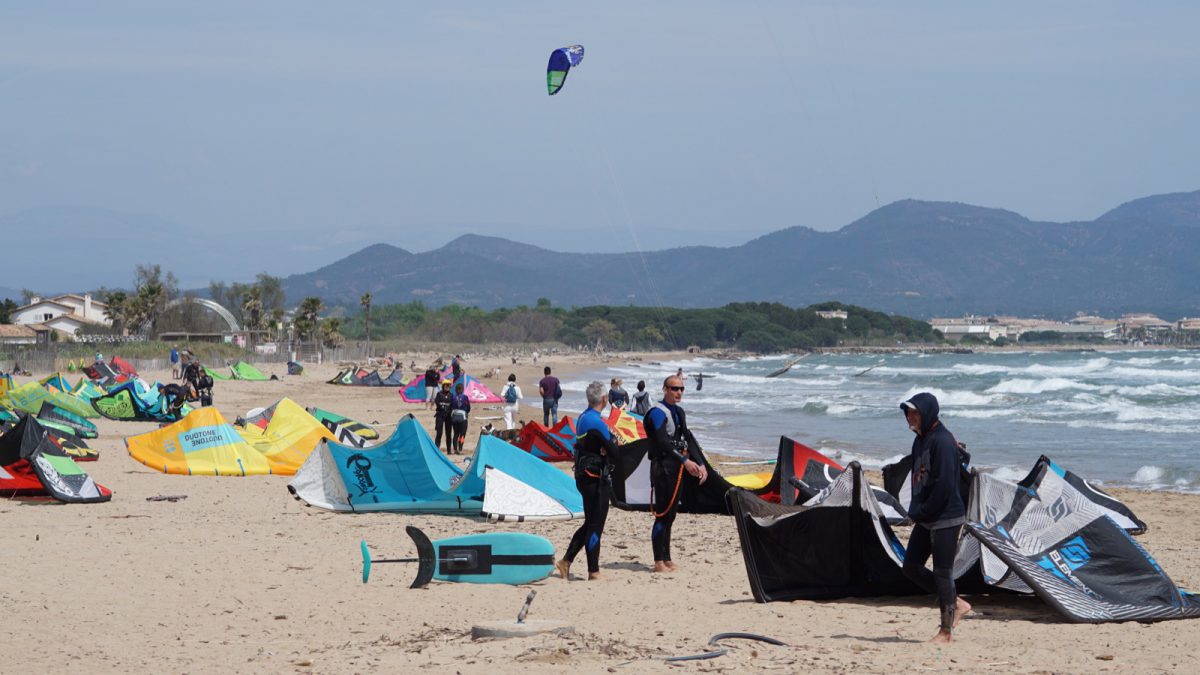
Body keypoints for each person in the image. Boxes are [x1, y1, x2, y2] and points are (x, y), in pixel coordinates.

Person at [899, 392, 971, 643]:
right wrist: (916, 507)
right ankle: (957, 602)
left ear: (927, 412)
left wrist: (921, 511)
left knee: (942, 572)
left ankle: (946, 632)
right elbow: (920, 477)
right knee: (911, 567)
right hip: (927, 513)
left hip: (946, 516)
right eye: (908, 412)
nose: (910, 417)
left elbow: (945, 486)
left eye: (915, 413)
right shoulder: (920, 439)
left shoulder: (942, 441)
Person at [644, 375, 708, 573]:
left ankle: (667, 558)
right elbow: (662, 442)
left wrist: (701, 463)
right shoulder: (657, 412)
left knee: (671, 515)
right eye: (674, 388)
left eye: (681, 389)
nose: (678, 392)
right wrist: (685, 461)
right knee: (662, 514)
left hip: (676, 467)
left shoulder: (679, 412)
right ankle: (657, 561)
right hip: (663, 468)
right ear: (665, 389)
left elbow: (687, 438)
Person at [557, 381, 616, 581]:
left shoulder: (583, 417)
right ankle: (593, 571)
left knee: (591, 523)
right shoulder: (598, 422)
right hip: (594, 478)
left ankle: (566, 561)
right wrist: (609, 447)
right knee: (595, 524)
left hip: (584, 476)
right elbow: (613, 450)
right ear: (605, 399)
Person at [432, 380, 455, 453]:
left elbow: (453, 404)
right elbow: (437, 402)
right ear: (443, 386)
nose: (448, 387)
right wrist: (443, 408)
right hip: (440, 415)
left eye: (449, 385)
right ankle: (436, 449)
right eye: (446, 385)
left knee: (448, 433)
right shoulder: (439, 394)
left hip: (448, 415)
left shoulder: (451, 395)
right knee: (439, 433)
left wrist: (449, 409)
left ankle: (449, 450)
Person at [449, 382, 471, 454]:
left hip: (454, 417)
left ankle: (455, 449)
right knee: (462, 434)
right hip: (463, 417)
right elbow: (468, 408)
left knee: (456, 434)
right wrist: (466, 412)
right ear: (463, 389)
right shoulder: (465, 397)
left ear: (455, 390)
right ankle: (460, 448)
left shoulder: (452, 397)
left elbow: (451, 406)